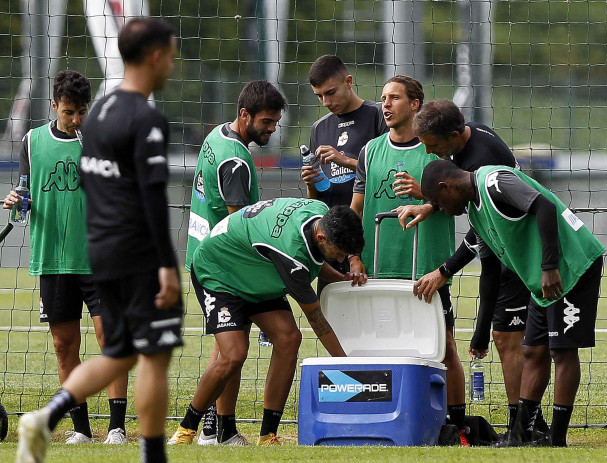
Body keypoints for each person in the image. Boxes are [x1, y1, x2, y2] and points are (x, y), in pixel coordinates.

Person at [16, 17, 182, 463]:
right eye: (171, 52)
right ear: (154, 57)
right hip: (128, 255)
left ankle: (47, 419)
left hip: (99, 253)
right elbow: (150, 198)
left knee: (120, 351)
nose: (173, 61)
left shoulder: (102, 117)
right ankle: (149, 453)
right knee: (151, 353)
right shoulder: (142, 119)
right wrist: (166, 264)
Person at [419, 159, 606, 447]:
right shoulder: (474, 213)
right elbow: (491, 270)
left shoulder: (495, 182)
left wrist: (549, 266)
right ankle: (520, 435)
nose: (440, 209)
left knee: (562, 352)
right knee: (532, 350)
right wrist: (482, 331)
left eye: (437, 202)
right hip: (540, 282)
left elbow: (544, 206)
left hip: (570, 269)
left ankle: (556, 441)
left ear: (447, 187)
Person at [397, 99, 547, 437]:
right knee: (505, 337)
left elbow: (480, 234)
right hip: (506, 249)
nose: (433, 154)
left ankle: (526, 428)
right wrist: (431, 204)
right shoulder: (469, 139)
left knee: (511, 340)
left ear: (452, 135)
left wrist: (443, 271)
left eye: (434, 146)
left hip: (521, 250)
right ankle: (525, 426)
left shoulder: (482, 160)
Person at [170, 199, 366, 447]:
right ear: (321, 236)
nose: (340, 259)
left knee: (289, 338)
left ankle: (267, 436)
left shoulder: (321, 211)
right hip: (219, 273)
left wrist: (341, 279)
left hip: (255, 272)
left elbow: (314, 263)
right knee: (233, 354)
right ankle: (185, 430)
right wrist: (349, 370)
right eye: (338, 254)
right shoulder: (291, 254)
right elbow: (318, 322)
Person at [2, 70, 129, 445]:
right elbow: (24, 197)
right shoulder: (32, 140)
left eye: (83, 112)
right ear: (54, 106)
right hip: (53, 259)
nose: (76, 120)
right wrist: (17, 202)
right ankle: (81, 430)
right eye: (70, 112)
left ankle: (117, 428)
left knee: (112, 338)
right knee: (64, 345)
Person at [349, 76, 469, 446]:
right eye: (383, 98)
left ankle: (457, 426)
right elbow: (356, 210)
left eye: (395, 98)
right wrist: (354, 255)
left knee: (444, 349)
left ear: (415, 104)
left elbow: (459, 205)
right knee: (377, 348)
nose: (385, 105)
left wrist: (426, 196)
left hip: (427, 270)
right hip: (378, 271)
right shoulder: (370, 152)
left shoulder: (436, 150)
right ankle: (383, 422)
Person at [182, 80, 286, 445]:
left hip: (203, 254)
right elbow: (239, 228)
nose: (272, 129)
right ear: (245, 115)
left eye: (275, 122)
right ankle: (206, 425)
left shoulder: (218, 134)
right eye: (267, 121)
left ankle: (221, 427)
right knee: (233, 348)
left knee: (232, 345)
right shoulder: (236, 160)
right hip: (222, 265)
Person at [303, 54, 387, 293]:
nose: (325, 102)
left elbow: (386, 176)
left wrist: (347, 160)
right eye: (319, 96)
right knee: (331, 314)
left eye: (330, 92)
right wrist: (312, 183)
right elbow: (317, 200)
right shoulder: (319, 128)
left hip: (369, 237)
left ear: (349, 81)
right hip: (330, 242)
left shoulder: (379, 115)